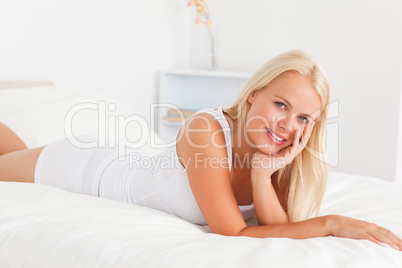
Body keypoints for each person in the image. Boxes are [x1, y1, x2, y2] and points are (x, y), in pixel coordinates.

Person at [0, 50, 401, 251]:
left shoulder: (279, 155)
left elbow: (274, 226)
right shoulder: (205, 129)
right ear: (254, 93)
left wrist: (263, 173)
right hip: (86, 168)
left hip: (114, 163)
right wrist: (330, 223)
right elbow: (235, 231)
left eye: (302, 118)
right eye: (280, 104)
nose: (287, 125)